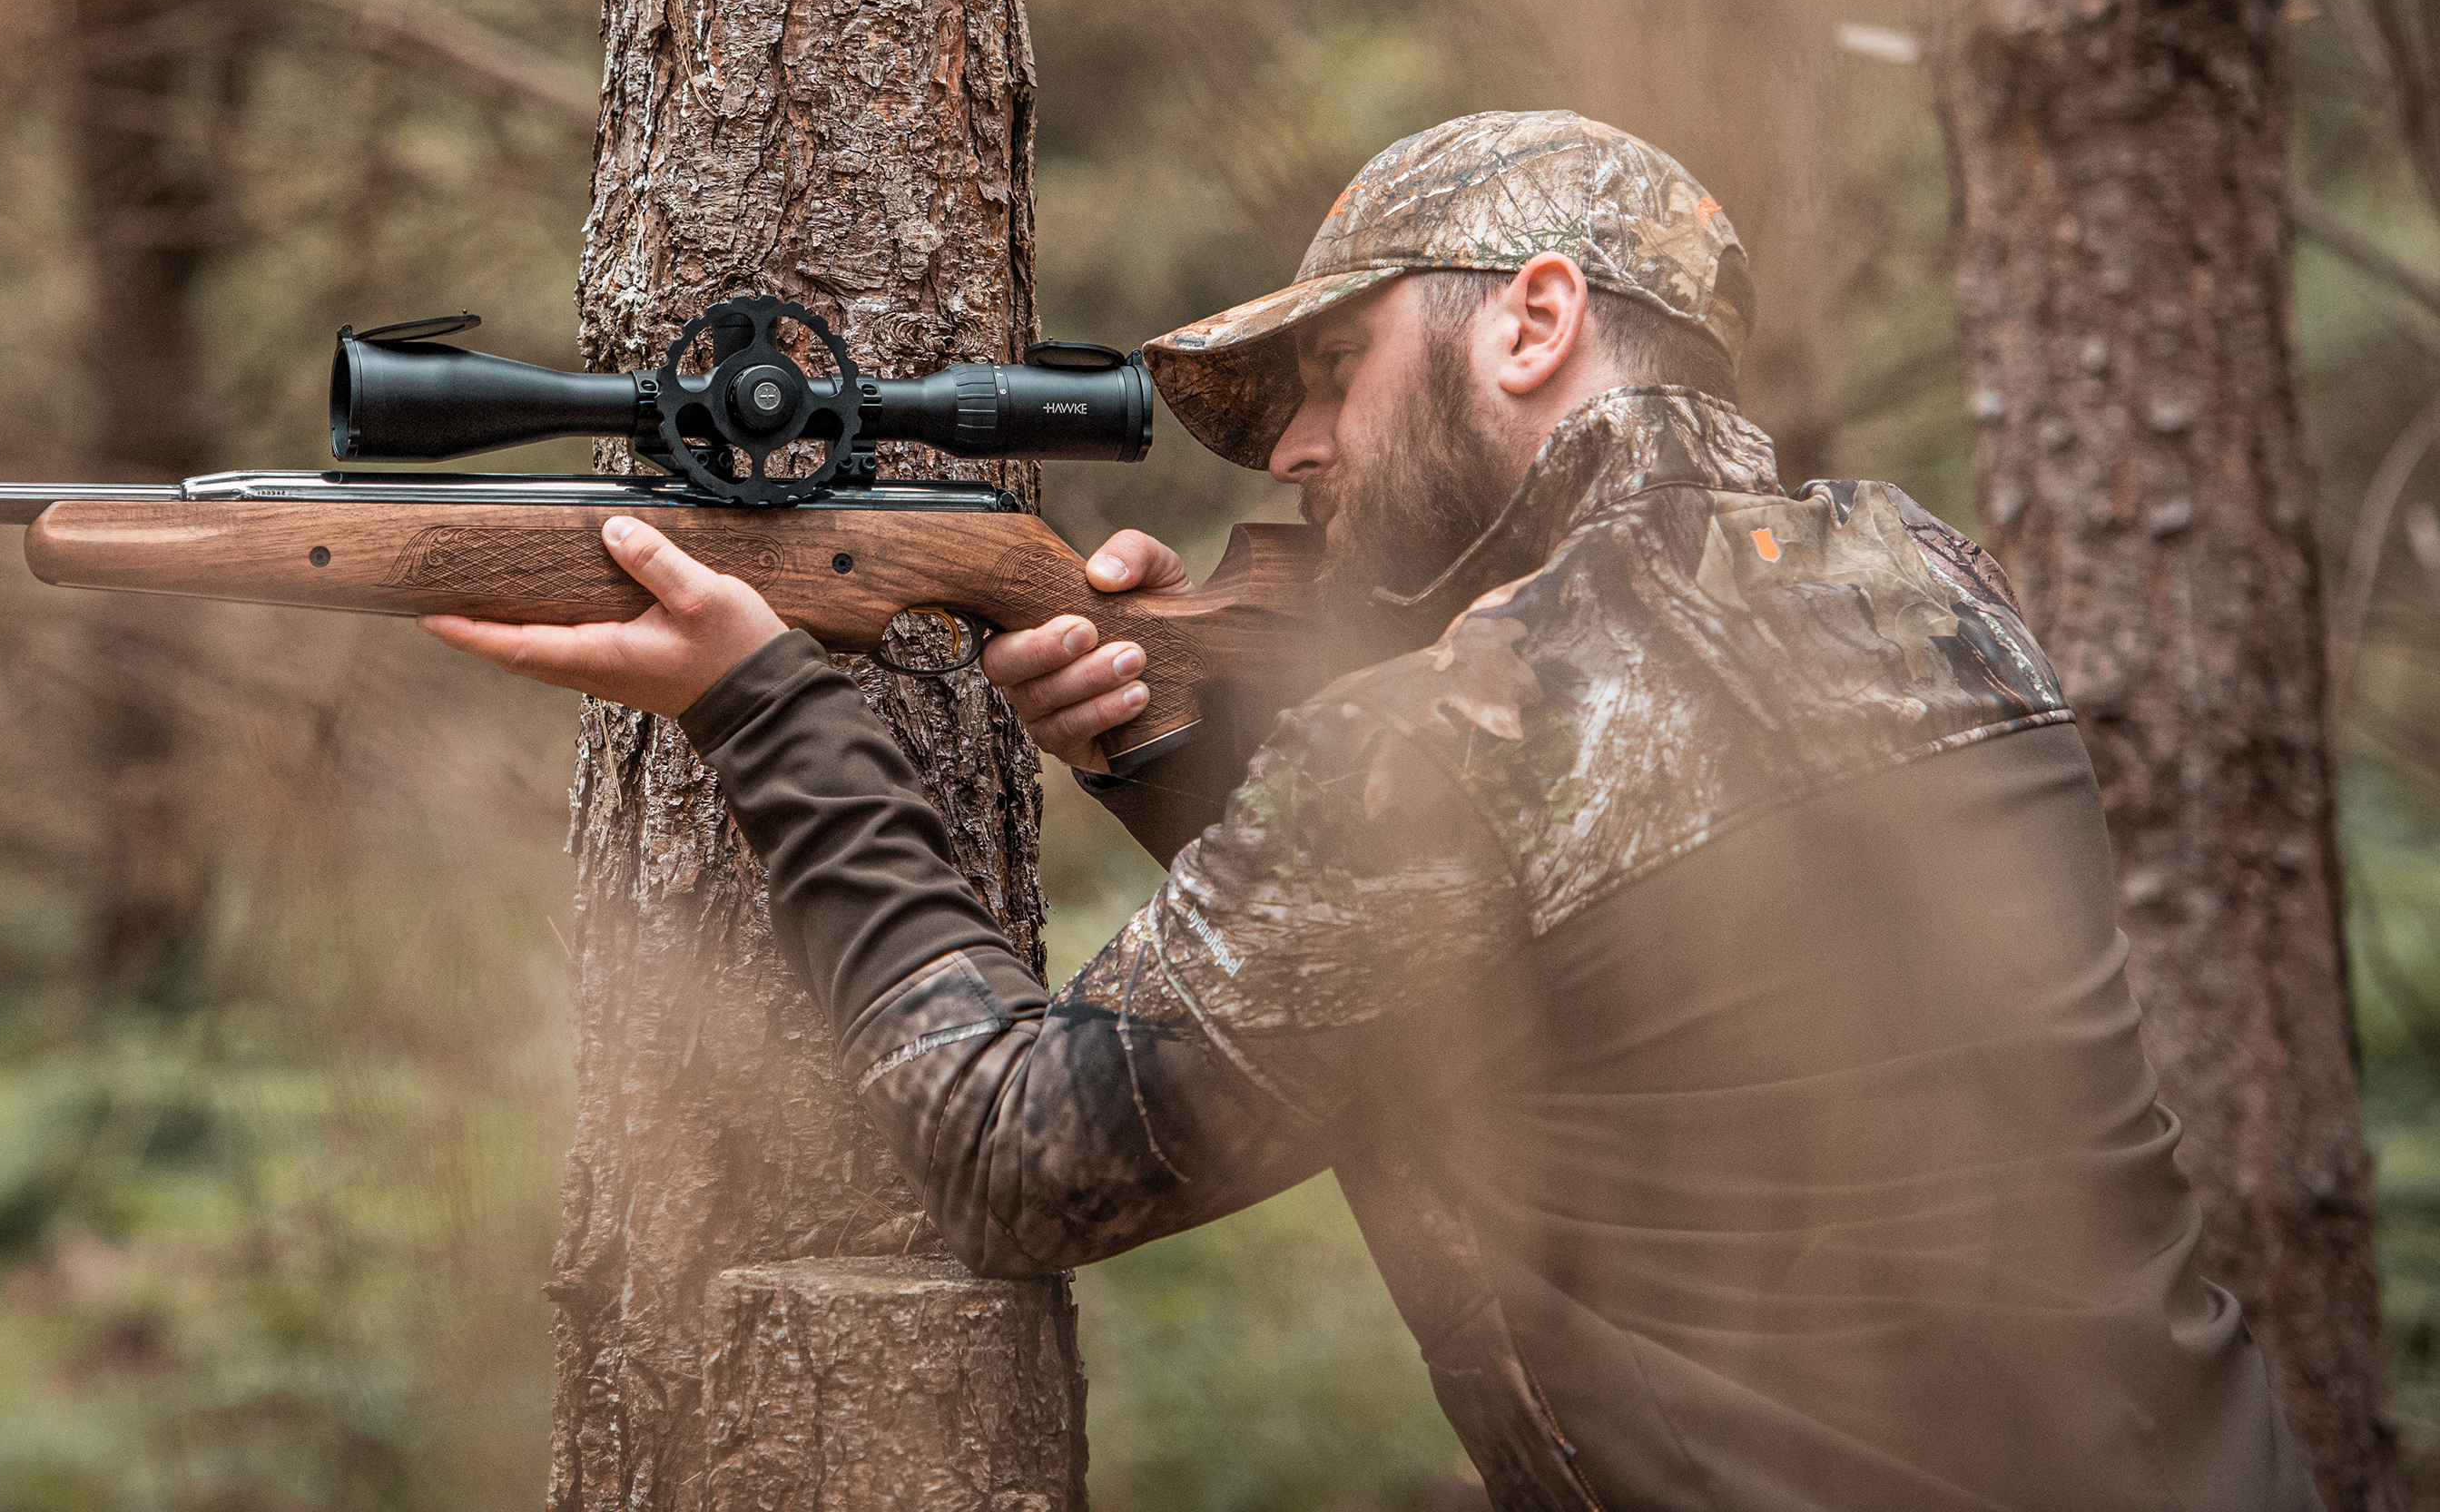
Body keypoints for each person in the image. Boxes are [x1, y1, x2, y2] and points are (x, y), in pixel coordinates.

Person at [421, 110, 2318, 1511]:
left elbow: (1011, 1153)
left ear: (1533, 318)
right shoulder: (1929, 580)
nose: (1301, 446)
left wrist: (769, 710)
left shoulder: (1458, 733)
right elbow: (1584, 990)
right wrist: (1179, 761)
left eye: (1329, 372)